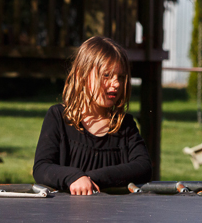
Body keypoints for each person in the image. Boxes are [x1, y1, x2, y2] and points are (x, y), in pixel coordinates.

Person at [32, 36, 152, 194]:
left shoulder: (124, 125)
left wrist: (92, 178)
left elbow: (143, 167)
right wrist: (74, 177)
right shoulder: (59, 117)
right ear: (82, 74)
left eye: (120, 77)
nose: (116, 84)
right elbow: (42, 168)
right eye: (107, 75)